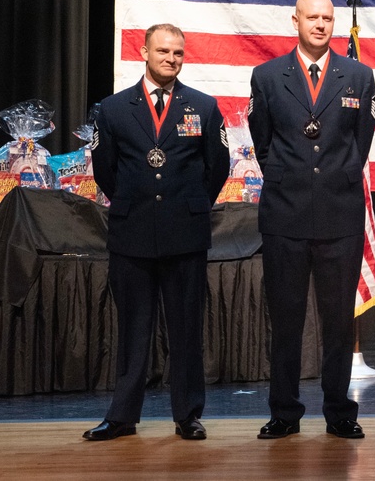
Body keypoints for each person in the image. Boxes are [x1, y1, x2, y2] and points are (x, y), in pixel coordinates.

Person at [84, 23, 230, 441]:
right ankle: (122, 417)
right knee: (132, 330)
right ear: (144, 51)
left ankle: (188, 415)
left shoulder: (203, 106)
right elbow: (106, 172)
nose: (171, 58)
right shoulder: (111, 109)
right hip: (133, 235)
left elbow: (216, 168)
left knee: (186, 329)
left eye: (178, 53)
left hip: (185, 234)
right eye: (163, 51)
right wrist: (140, 202)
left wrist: (187, 206)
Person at [248, 0, 375, 439]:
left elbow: (359, 144)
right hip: (285, 214)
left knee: (339, 321)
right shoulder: (266, 76)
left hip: (339, 215)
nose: (320, 25)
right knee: (285, 321)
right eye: (312, 17)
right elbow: (263, 142)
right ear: (295, 20)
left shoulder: (358, 76)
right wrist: (292, 178)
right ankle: (283, 413)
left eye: (327, 18)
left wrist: (330, 178)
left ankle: (340, 412)